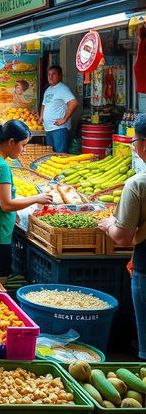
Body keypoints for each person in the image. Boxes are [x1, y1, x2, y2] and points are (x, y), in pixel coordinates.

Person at [0, 120, 52, 279]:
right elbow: (6, 204)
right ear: (11, 142)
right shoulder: (1, 166)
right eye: (23, 145)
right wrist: (37, 198)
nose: (23, 150)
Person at [99, 114, 146, 360]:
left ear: (143, 144)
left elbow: (123, 237)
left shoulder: (138, 184)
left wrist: (108, 224)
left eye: (134, 141)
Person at [39, 66, 79, 153]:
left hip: (59, 129)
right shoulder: (48, 90)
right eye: (49, 74)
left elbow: (74, 103)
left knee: (60, 155)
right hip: (48, 129)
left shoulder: (62, 88)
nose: (50, 77)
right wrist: (41, 117)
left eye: (54, 74)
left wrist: (64, 119)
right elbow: (44, 104)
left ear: (60, 76)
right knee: (51, 156)